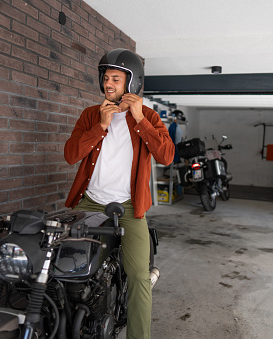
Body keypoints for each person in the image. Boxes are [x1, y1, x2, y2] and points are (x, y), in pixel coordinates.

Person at [63, 48, 175, 339]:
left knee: (138, 277)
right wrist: (100, 126)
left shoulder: (147, 115)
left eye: (115, 78)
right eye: (105, 78)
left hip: (128, 209)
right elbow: (71, 155)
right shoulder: (91, 115)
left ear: (132, 82)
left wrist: (141, 119)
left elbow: (166, 156)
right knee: (68, 265)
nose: (108, 84)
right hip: (89, 203)